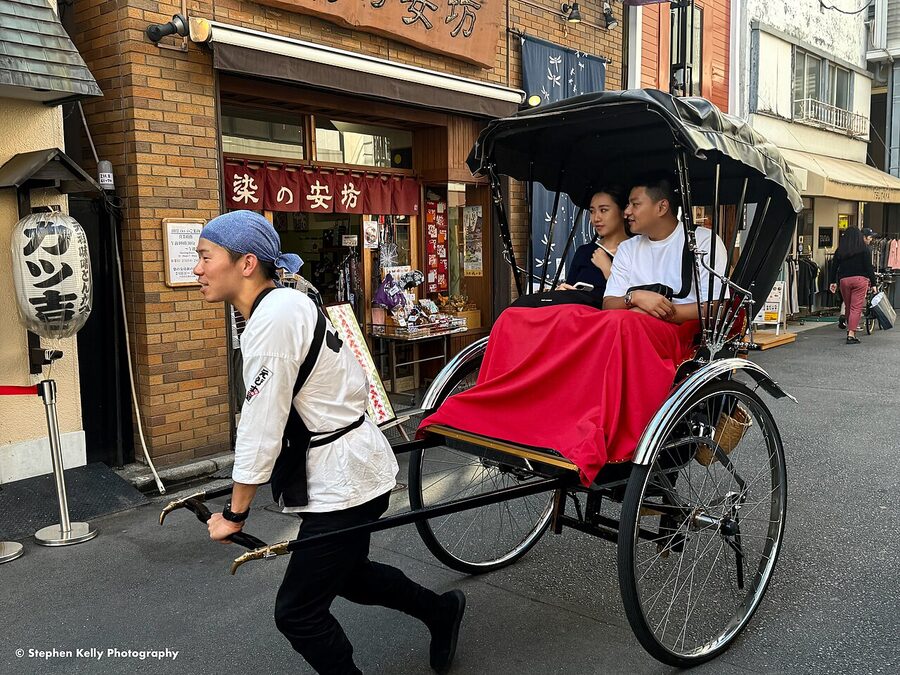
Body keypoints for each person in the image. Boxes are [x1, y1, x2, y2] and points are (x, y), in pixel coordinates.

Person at [195, 210, 466, 675]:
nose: (196, 269)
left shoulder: (274, 318)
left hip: (345, 479)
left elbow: (260, 424)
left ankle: (433, 619)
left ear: (245, 263)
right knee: (353, 577)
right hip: (346, 464)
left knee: (297, 612)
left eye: (205, 257)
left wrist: (235, 513)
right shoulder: (278, 304)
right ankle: (442, 612)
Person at [603, 172, 728, 321]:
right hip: (630, 325)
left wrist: (651, 314)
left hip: (682, 331)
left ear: (662, 207)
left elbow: (715, 307)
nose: (627, 212)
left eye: (635, 204)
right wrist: (635, 297)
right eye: (628, 205)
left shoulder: (703, 241)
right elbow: (608, 304)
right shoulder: (627, 248)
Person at [557, 187, 631, 299]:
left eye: (603, 210)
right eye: (592, 211)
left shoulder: (637, 250)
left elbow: (639, 296)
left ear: (623, 211)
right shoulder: (584, 252)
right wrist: (564, 291)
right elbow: (570, 287)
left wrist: (608, 270)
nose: (596, 218)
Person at [829, 226, 877, 344]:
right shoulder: (864, 249)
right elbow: (868, 267)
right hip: (860, 280)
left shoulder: (840, 250)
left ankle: (849, 327)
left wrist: (832, 282)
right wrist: (874, 283)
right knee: (856, 307)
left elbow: (834, 267)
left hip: (844, 281)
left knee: (849, 305)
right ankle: (851, 334)